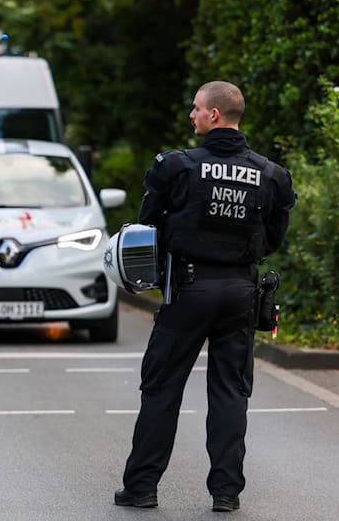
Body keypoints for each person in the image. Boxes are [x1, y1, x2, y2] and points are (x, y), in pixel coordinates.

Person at [114, 81, 296, 513]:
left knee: (161, 388)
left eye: (196, 109)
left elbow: (148, 223)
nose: (191, 115)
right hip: (240, 290)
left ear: (214, 116)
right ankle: (226, 493)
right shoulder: (270, 174)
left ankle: (142, 488)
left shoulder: (177, 167)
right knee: (231, 392)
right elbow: (273, 237)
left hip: (189, 289)